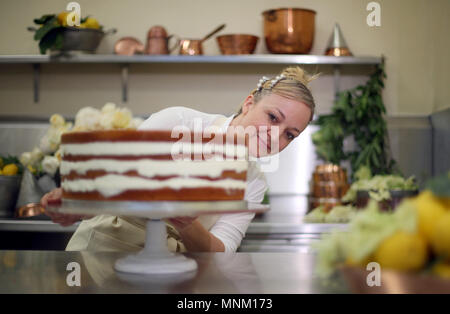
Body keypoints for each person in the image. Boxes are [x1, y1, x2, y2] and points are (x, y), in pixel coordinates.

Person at [41, 66, 318, 253]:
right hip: (104, 250)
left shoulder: (254, 181)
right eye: (272, 118)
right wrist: (75, 202)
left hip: (172, 272)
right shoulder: (179, 122)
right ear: (249, 103)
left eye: (289, 134)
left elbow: (221, 249)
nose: (275, 135)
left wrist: (186, 223)